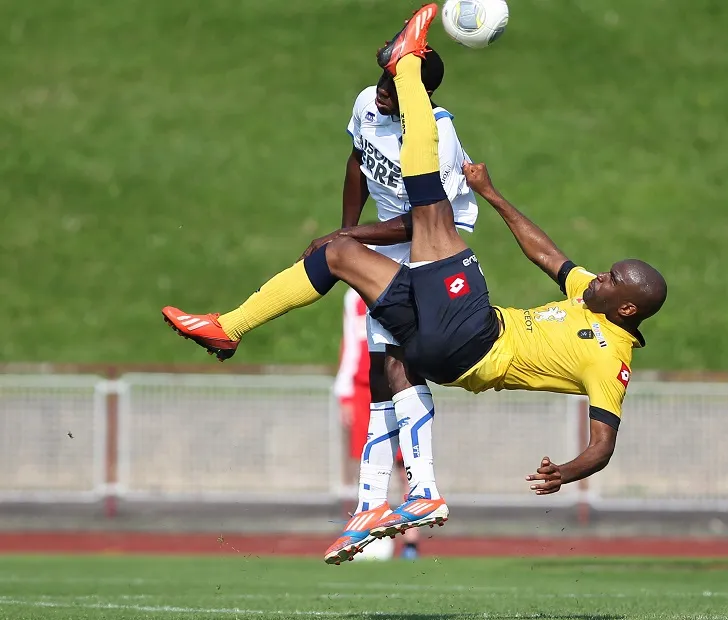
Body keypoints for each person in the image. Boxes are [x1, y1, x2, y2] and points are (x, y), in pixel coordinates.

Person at [162, 3, 667, 565]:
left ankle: (409, 63)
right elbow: (546, 252)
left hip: (476, 336)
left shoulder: (609, 357)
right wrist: (495, 194)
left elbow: (603, 444)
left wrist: (567, 471)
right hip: (445, 351)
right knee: (344, 261)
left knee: (432, 211)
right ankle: (231, 332)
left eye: (612, 278)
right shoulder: (586, 297)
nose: (599, 274)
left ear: (626, 307)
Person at [332, 287, 421, 560]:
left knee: (406, 464)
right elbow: (350, 343)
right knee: (369, 462)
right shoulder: (353, 297)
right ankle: (368, 535)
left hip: (401, 378)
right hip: (364, 386)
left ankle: (410, 541)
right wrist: (344, 391)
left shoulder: (406, 284)